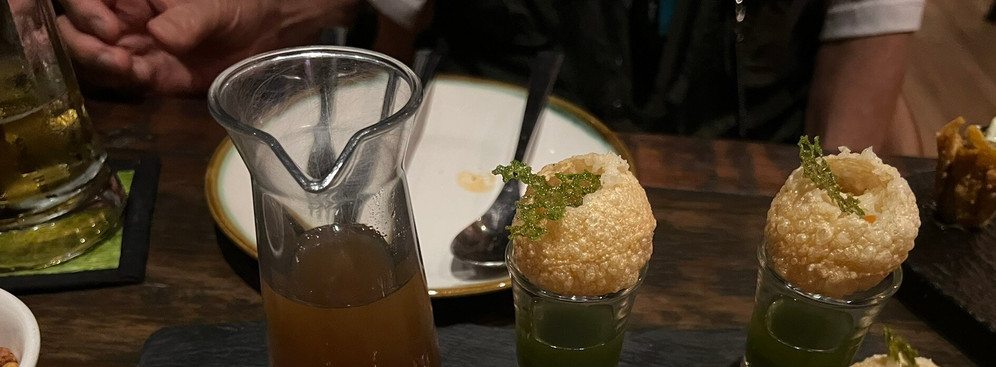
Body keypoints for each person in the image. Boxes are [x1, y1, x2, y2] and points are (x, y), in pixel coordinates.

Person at [55, 0, 924, 153]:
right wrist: (280, 29)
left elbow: (860, 108)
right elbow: (390, 36)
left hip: (726, 227)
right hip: (482, 190)